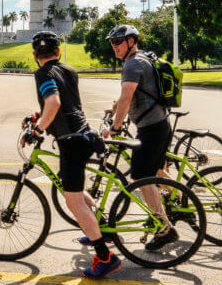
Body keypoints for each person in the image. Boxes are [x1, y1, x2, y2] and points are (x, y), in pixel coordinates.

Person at [20, 31, 121, 279]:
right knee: (72, 187)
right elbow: (64, 104)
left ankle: (105, 256)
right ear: (59, 52)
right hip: (84, 134)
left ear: (35, 55)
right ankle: (100, 226)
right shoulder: (68, 70)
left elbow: (53, 103)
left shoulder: (43, 72)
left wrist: (38, 130)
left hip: (71, 141)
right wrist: (37, 116)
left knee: (73, 201)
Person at [102, 24, 177, 250]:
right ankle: (180, 199)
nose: (114, 46)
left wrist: (114, 128)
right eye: (112, 42)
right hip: (160, 124)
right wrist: (113, 110)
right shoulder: (142, 58)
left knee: (141, 177)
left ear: (131, 42)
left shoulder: (133, 64)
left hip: (151, 129)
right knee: (155, 172)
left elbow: (127, 98)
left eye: (118, 42)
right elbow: (126, 96)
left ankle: (164, 227)